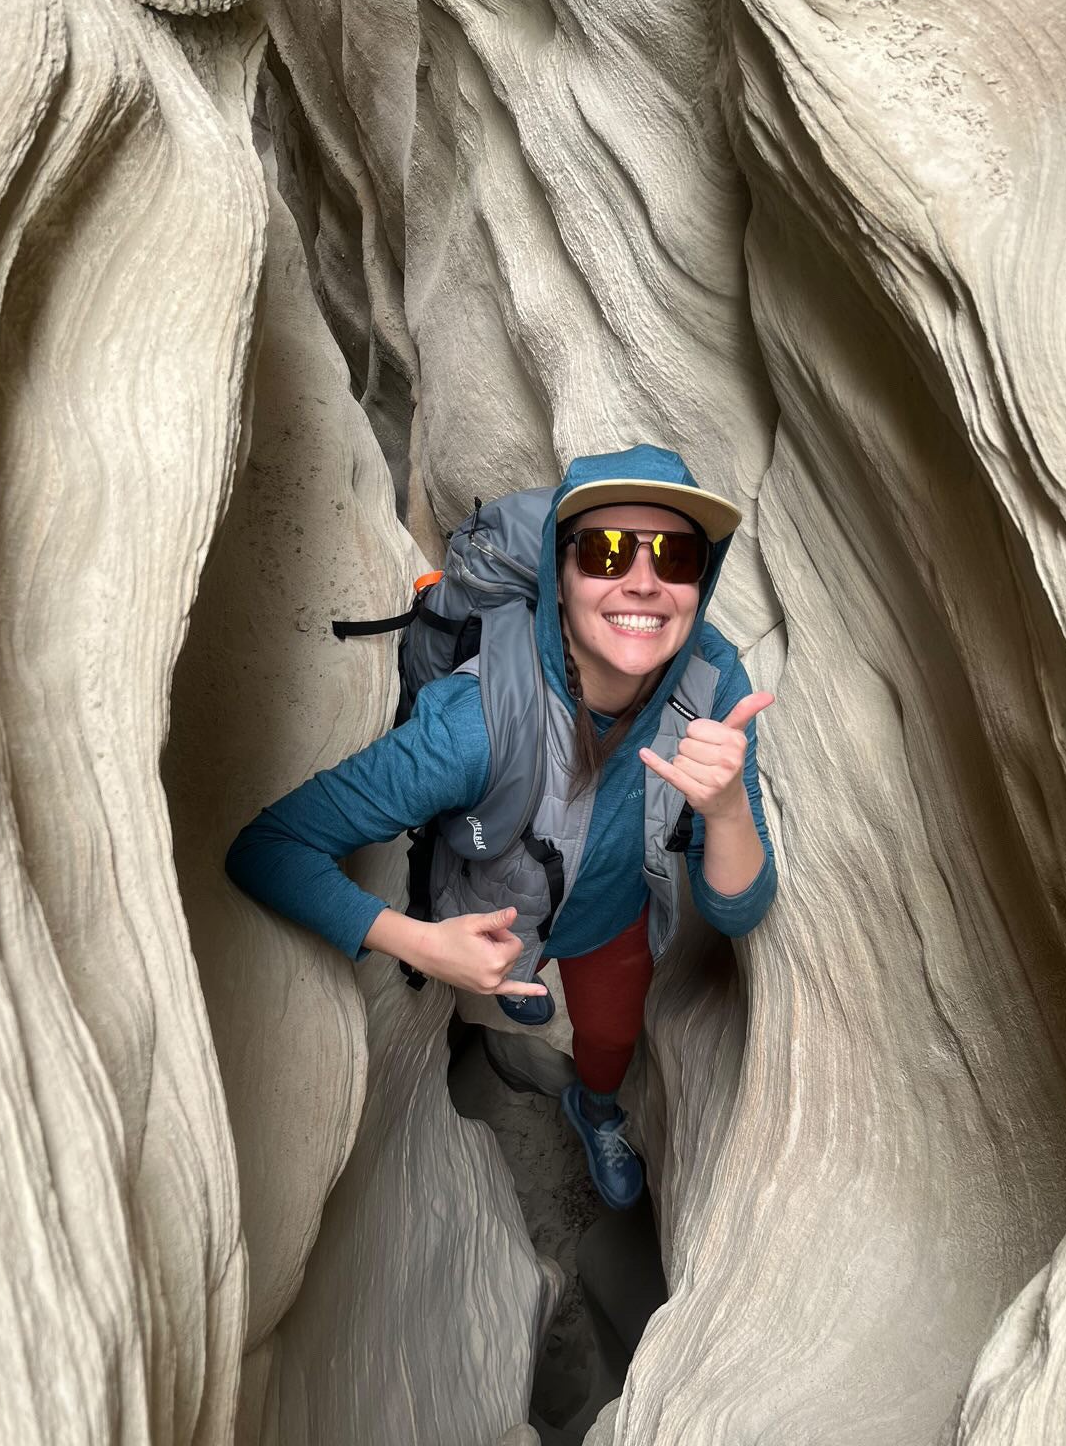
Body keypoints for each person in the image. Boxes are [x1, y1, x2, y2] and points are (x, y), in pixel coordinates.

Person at [226, 444, 777, 1210]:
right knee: (517, 960)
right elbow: (270, 848)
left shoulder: (716, 686)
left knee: (610, 1042)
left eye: (676, 556)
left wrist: (723, 810)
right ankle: (522, 984)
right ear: (559, 579)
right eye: (608, 551)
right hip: (501, 903)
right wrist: (420, 944)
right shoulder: (472, 724)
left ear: (699, 582)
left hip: (611, 919)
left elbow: (736, 909)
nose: (643, 580)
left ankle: (595, 1108)